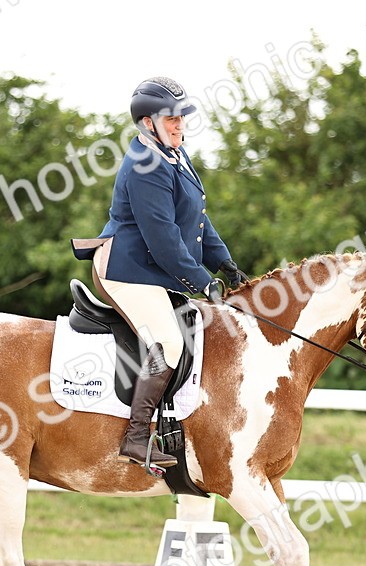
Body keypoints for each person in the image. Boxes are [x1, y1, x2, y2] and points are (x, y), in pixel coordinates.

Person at [74, 76, 249, 469]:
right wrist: (204, 284)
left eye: (182, 117)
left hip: (150, 265)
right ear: (147, 122)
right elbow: (165, 240)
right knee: (170, 342)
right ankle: (136, 438)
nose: (179, 124)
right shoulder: (144, 165)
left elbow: (196, 221)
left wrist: (224, 262)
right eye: (171, 118)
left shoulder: (174, 153)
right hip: (126, 269)